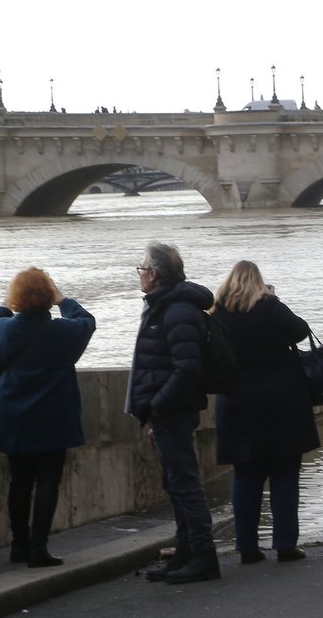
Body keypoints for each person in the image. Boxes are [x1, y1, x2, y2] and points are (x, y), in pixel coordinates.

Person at [0, 268, 96, 568]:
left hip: (14, 417)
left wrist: (4, 304)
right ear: (48, 298)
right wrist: (63, 300)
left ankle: (19, 545)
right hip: (54, 416)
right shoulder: (63, 333)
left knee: (20, 481)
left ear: (16, 298)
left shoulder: (3, 330)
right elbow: (87, 322)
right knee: (47, 481)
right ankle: (38, 548)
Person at [212, 261, 319, 564]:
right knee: (285, 472)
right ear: (259, 283)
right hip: (280, 401)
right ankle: (285, 544)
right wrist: (274, 298)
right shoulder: (270, 307)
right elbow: (300, 331)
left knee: (246, 476)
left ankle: (247, 546)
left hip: (236, 404)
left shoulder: (218, 313)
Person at [126, 243, 220, 584]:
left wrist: (157, 405)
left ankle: (203, 555)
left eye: (141, 269)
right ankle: (185, 552)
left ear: (154, 274)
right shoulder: (165, 306)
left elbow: (186, 369)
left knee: (185, 482)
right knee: (175, 482)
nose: (139, 275)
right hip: (168, 409)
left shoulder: (176, 310)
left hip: (173, 408)